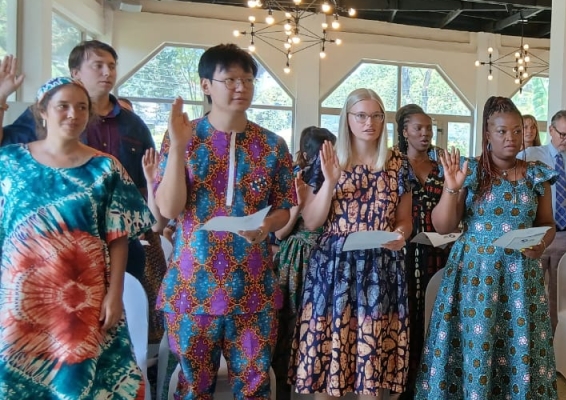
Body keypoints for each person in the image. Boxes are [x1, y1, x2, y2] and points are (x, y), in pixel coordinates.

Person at [0, 41, 167, 343]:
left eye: (112, 65)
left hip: (101, 265)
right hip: (29, 275)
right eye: (98, 65)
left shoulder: (124, 139)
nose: (72, 114)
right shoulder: (17, 156)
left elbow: (145, 187)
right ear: (44, 112)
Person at [155, 43, 296, 399]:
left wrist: (266, 227)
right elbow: (170, 208)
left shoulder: (273, 145)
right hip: (192, 287)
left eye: (247, 80)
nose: (240, 88)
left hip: (253, 288)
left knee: (253, 388)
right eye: (230, 79)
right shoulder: (184, 137)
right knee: (192, 388)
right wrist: (177, 147)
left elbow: (284, 207)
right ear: (206, 85)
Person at [0, 76, 152, 398]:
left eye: (81, 107)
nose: (73, 114)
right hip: (19, 294)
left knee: (79, 382)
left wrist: (114, 294)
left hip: (82, 297)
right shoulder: (10, 161)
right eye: (63, 106)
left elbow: (119, 235)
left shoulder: (105, 168)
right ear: (42, 112)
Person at [417, 96, 558, 399]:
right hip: (475, 276)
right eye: (502, 131)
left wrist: (540, 245)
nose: (511, 138)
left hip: (520, 278)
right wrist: (452, 188)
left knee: (515, 346)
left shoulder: (537, 174)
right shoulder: (469, 170)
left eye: (517, 131)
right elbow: (443, 225)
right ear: (487, 134)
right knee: (474, 345)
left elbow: (548, 224)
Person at [291, 88, 412, 400]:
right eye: (361, 115)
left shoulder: (398, 163)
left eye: (375, 115)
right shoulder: (328, 159)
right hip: (334, 269)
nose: (368, 122)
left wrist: (400, 234)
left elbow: (405, 219)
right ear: (347, 118)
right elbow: (313, 222)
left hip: (380, 267)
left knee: (370, 366)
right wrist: (330, 181)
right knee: (331, 360)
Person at [271, 126, 336, 400]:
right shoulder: (296, 178)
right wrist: (297, 204)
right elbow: (280, 233)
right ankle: (287, 387)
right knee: (291, 322)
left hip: (329, 259)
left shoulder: (335, 179)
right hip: (297, 259)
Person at [394, 103, 449, 400]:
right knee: (406, 314)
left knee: (434, 313)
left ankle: (433, 380)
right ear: (405, 132)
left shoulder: (440, 167)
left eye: (429, 128)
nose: (425, 133)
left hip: (437, 250)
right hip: (402, 252)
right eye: (418, 128)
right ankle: (403, 382)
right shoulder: (394, 165)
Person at [518, 109, 566, 331]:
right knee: (530, 292)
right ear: (551, 130)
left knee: (561, 295)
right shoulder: (530, 155)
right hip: (538, 234)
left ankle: (555, 347)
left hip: (565, 234)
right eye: (562, 134)